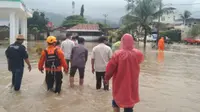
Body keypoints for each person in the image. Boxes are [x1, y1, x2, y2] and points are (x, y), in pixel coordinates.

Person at [105, 34, 144, 112]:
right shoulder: (138, 54)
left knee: (116, 102)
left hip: (119, 83)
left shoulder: (117, 54)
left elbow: (110, 70)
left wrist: (106, 79)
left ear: (122, 42)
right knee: (129, 103)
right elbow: (138, 62)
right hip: (132, 83)